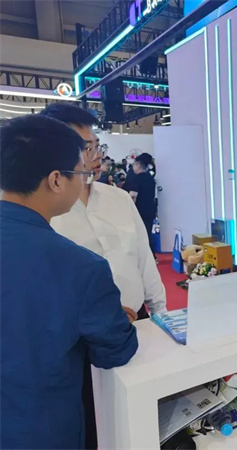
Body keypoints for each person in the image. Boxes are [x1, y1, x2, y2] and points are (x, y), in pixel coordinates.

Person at [0, 115, 138, 449]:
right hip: (40, 431)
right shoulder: (80, 266)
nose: (84, 180)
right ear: (56, 180)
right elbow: (116, 350)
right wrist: (112, 317)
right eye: (80, 173)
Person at [42, 104, 165, 449]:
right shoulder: (45, 212)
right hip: (81, 344)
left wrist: (162, 314)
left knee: (143, 418)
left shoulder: (119, 199)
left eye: (97, 145)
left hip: (136, 326)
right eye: (85, 148)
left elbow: (143, 259)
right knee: (96, 423)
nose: (95, 156)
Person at [126, 154, 158, 257]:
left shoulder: (136, 178)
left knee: (139, 234)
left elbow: (133, 196)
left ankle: (143, 256)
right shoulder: (150, 178)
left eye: (134, 165)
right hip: (150, 210)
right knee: (148, 233)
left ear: (138, 166)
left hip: (139, 211)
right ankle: (152, 256)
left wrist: (129, 209)